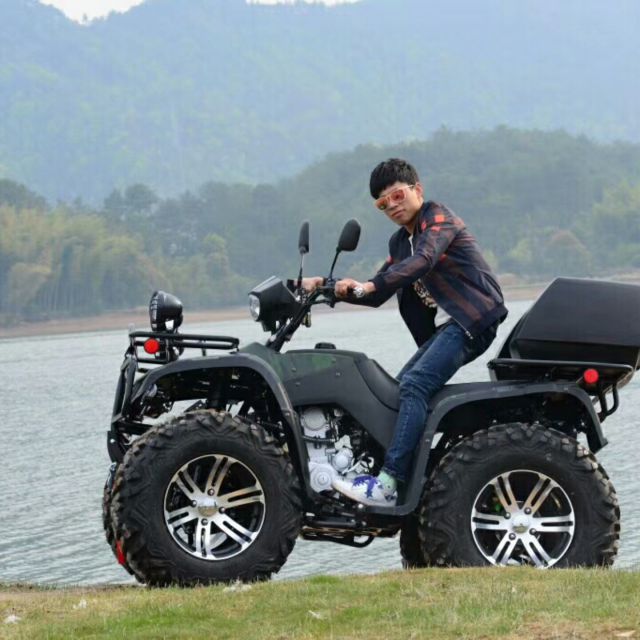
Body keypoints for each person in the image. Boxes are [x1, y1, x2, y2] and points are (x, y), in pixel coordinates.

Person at [304, 158, 507, 506]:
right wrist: (326, 285)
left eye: (397, 195)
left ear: (417, 190)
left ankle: (387, 483)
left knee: (414, 385)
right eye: (383, 204)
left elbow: (423, 260)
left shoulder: (437, 218)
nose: (392, 206)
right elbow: (377, 290)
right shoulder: (401, 243)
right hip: (447, 328)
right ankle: (402, 479)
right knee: (399, 391)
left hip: (472, 318)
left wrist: (371, 285)